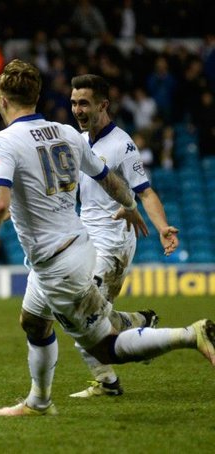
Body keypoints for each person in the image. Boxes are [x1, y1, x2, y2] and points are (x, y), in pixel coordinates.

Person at [0, 59, 215, 417]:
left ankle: (191, 334)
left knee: (104, 347)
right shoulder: (66, 133)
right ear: (38, 95)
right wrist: (130, 204)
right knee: (32, 320)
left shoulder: (0, 142)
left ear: (1, 99)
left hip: (58, 262)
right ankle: (39, 401)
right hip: (73, 247)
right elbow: (108, 177)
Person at [68, 74, 180, 398]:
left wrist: (162, 227)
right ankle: (140, 322)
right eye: (74, 102)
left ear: (103, 105)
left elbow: (144, 192)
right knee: (95, 320)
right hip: (85, 237)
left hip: (113, 241)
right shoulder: (79, 141)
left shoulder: (122, 144)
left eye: (84, 102)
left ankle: (108, 383)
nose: (77, 109)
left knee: (83, 315)